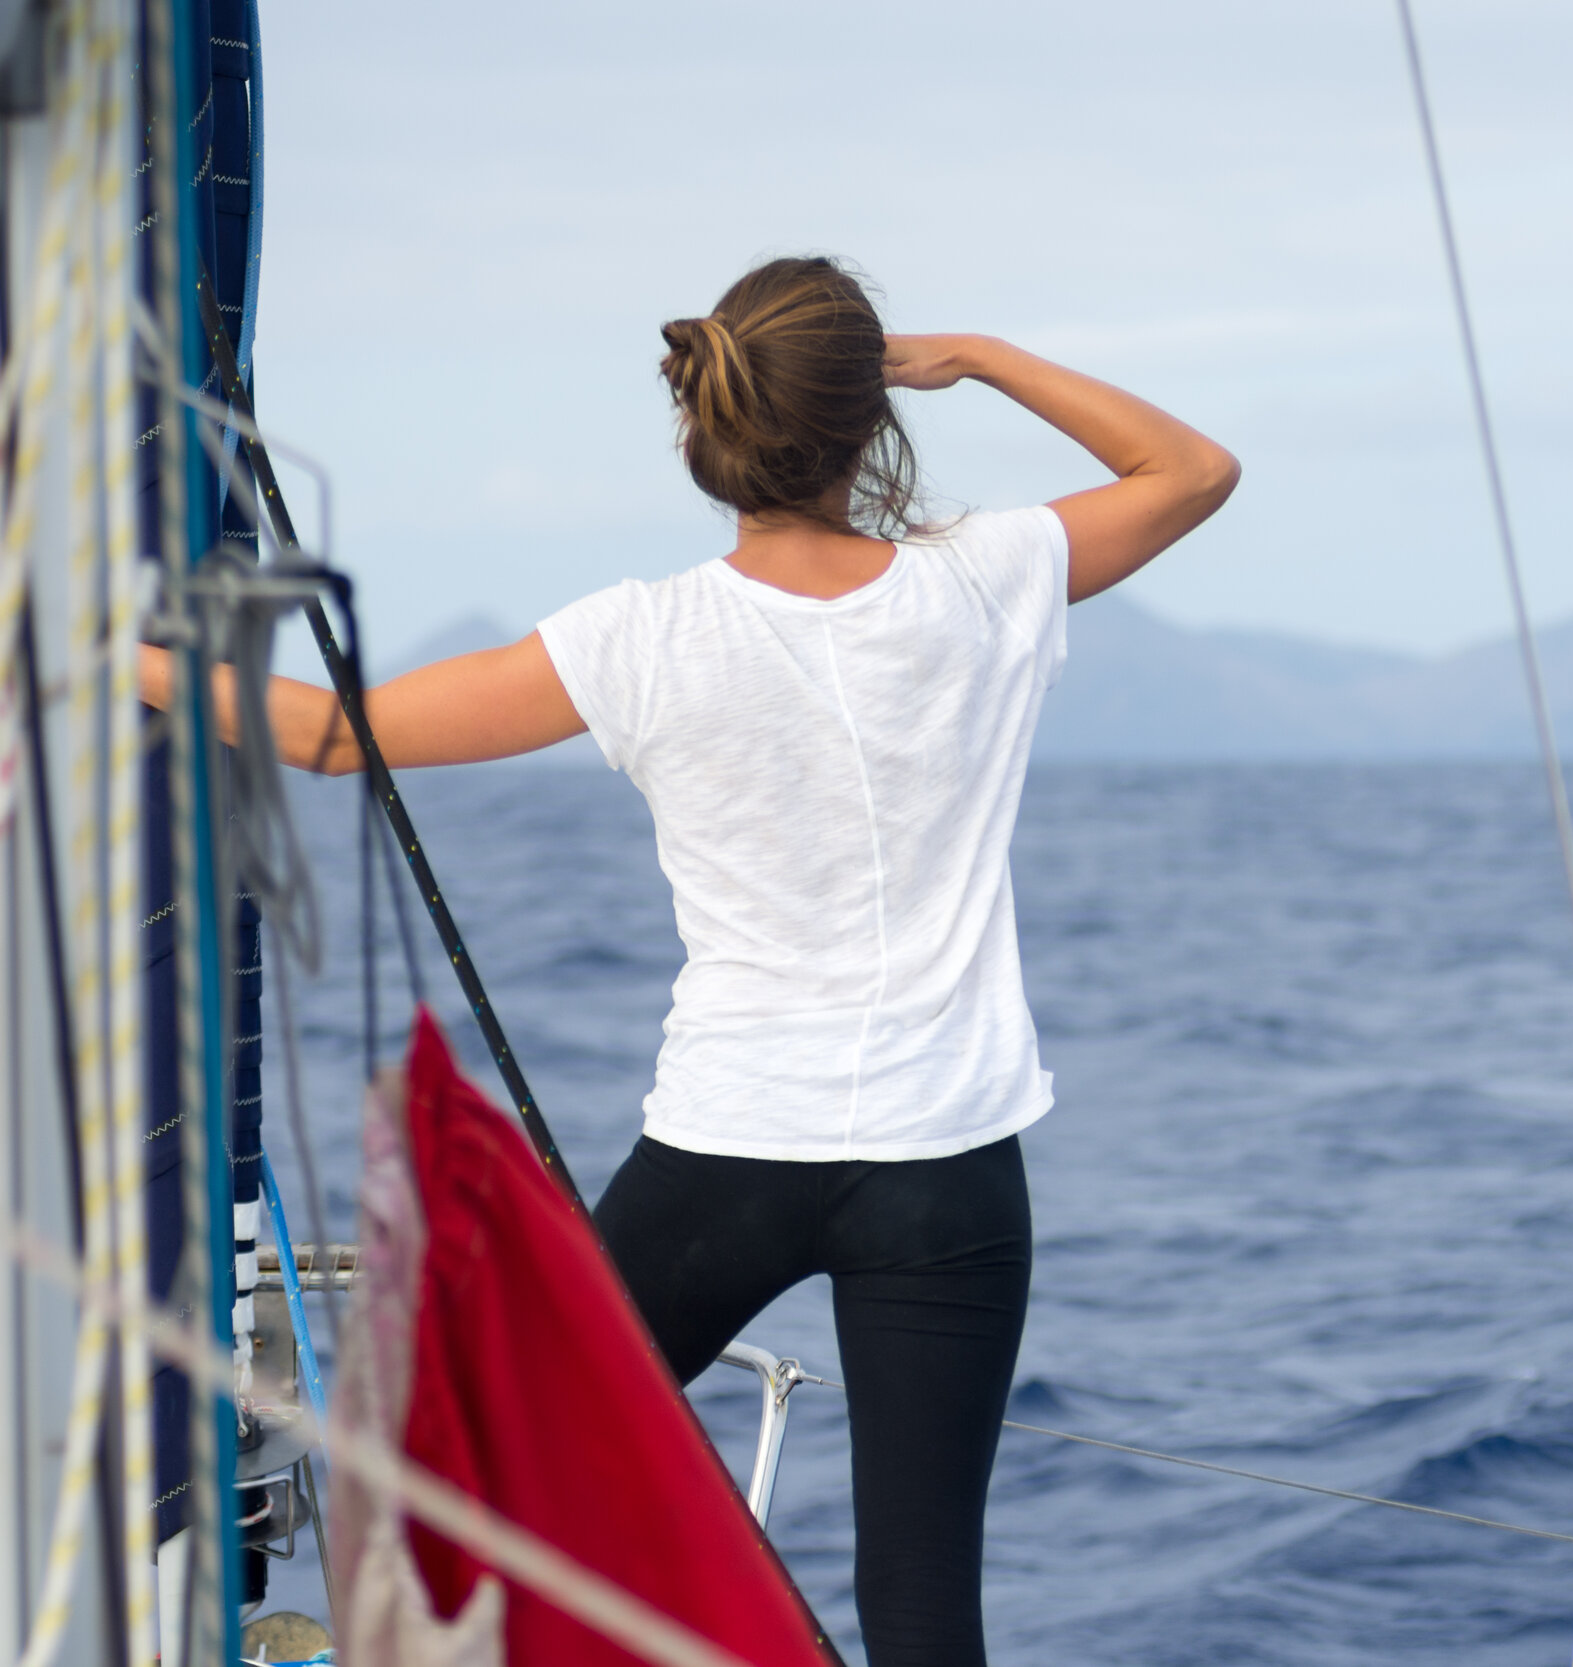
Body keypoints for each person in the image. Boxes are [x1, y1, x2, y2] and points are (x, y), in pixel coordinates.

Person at [143, 254, 1238, 1667]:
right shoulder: (990, 583)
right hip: (951, 1169)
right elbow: (1193, 470)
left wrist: (125, 649)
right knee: (923, 1612)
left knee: (501, 1493)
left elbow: (330, 733)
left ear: (704, 428)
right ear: (871, 424)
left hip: (731, 1152)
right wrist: (984, 355)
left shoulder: (643, 638)